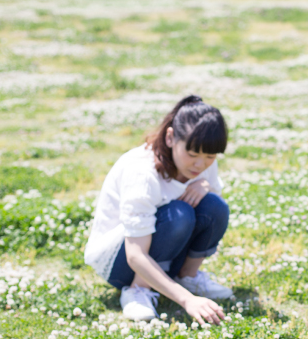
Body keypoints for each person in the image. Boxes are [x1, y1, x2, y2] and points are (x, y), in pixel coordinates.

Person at [85, 95, 232, 325]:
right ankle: (137, 290)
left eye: (210, 157)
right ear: (171, 137)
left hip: (163, 252)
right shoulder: (142, 172)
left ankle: (188, 277)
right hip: (120, 261)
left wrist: (205, 186)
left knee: (215, 206)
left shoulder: (201, 160)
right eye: (192, 155)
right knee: (178, 215)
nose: (200, 165)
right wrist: (187, 301)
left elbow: (212, 216)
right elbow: (135, 255)